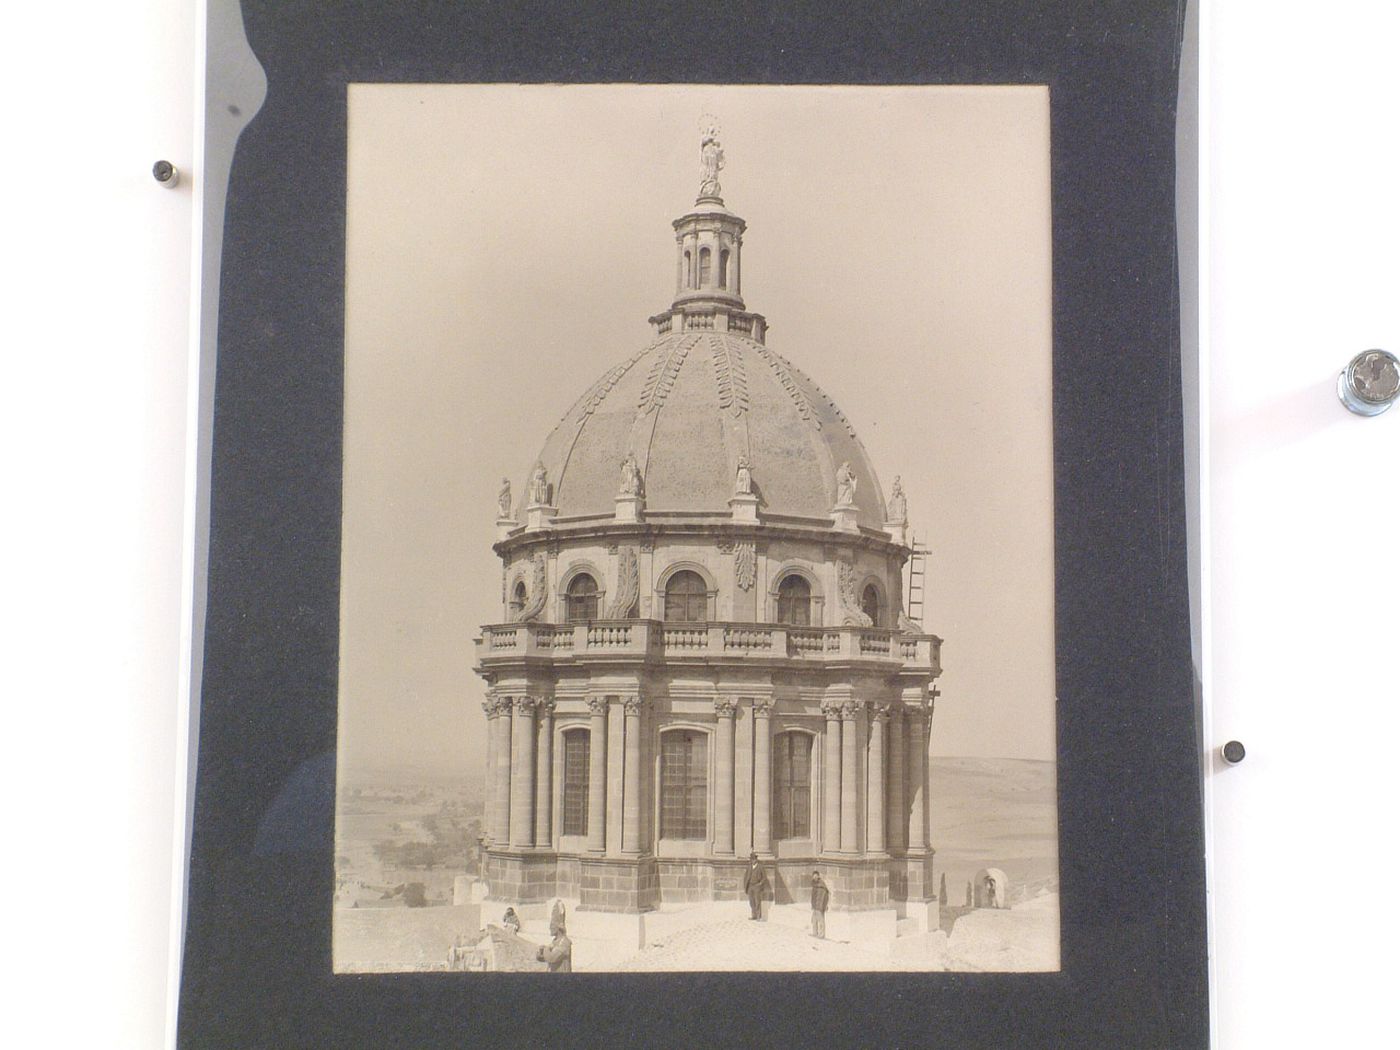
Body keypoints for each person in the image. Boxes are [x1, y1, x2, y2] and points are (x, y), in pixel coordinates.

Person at [742, 851, 769, 921]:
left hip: (757, 886)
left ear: (756, 859)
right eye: (752, 859)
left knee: (757, 901)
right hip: (750, 886)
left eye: (754, 859)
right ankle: (753, 915)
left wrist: (760, 884)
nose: (753, 860)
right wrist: (746, 885)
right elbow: (746, 876)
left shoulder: (760, 867)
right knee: (751, 902)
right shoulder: (749, 867)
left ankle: (758, 916)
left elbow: (764, 877)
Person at [809, 870, 829, 939]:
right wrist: (813, 904)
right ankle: (815, 933)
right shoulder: (814, 885)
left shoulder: (822, 885)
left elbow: (825, 896)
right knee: (814, 920)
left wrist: (824, 906)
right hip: (815, 905)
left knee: (821, 920)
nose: (814, 877)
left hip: (820, 905)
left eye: (816, 876)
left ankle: (821, 935)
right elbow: (813, 896)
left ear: (818, 876)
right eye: (813, 876)